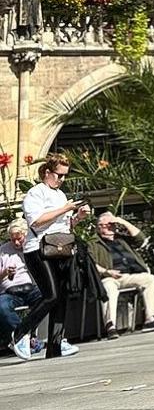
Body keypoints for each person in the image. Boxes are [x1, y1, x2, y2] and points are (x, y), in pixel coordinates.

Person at [22, 152, 98, 357]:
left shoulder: (60, 195)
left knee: (61, 297)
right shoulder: (36, 193)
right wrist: (64, 209)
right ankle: (20, 333)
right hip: (38, 249)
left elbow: (64, 227)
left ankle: (55, 345)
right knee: (51, 295)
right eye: (59, 175)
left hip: (58, 248)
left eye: (65, 175)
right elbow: (36, 221)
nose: (62, 179)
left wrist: (77, 217)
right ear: (47, 172)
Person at [88, 211, 154, 335]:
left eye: (112, 224)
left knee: (150, 279)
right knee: (108, 287)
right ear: (98, 227)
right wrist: (107, 272)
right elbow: (91, 264)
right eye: (105, 225)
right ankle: (110, 326)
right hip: (109, 277)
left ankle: (150, 320)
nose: (109, 227)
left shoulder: (122, 239)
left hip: (130, 275)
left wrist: (122, 221)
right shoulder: (93, 243)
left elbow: (141, 239)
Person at [1, 216, 52, 359]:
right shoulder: (3, 251)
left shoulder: (33, 247)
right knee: (2, 307)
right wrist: (5, 273)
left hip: (32, 288)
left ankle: (29, 337)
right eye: (13, 239)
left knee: (49, 298)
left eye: (19, 238)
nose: (16, 242)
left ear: (26, 234)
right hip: (10, 291)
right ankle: (26, 338)